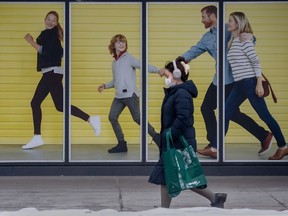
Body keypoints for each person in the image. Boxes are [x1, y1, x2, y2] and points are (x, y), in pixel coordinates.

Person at [173, 5, 272, 159]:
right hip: (218, 80)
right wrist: (174, 64)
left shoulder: (230, 29)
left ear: (212, 17)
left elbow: (250, 39)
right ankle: (217, 143)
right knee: (207, 108)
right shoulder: (207, 38)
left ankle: (217, 145)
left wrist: (251, 37)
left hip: (234, 80)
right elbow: (193, 51)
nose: (202, 20)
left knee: (231, 113)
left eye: (203, 17)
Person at [149, 60, 227, 208]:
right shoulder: (176, 92)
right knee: (170, 174)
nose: (165, 78)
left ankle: (215, 198)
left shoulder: (182, 93)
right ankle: (215, 198)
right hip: (174, 140)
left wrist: (171, 133)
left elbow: (183, 117)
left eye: (167, 74)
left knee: (181, 175)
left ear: (177, 75)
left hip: (178, 141)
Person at [23, 11, 100, 150]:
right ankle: (91, 119)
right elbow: (59, 52)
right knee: (60, 106)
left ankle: (37, 137)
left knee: (35, 103)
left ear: (56, 22)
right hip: (53, 73)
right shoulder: (52, 35)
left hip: (52, 73)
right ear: (44, 19)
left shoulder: (50, 34)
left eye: (54, 20)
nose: (50, 22)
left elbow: (45, 51)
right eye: (48, 19)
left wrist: (30, 41)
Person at [225, 11, 288, 160]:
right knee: (225, 112)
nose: (228, 23)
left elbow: (256, 62)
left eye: (231, 21)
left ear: (238, 24)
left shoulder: (244, 40)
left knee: (265, 115)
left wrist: (259, 84)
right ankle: (217, 147)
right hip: (239, 85)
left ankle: (283, 146)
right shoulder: (233, 41)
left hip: (249, 83)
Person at [97, 34, 160, 153]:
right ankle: (122, 144)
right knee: (112, 117)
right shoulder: (114, 63)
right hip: (119, 96)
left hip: (130, 95)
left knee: (137, 118)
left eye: (123, 42)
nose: (121, 44)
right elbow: (116, 81)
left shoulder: (129, 58)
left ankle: (158, 138)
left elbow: (143, 65)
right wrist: (105, 85)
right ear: (113, 45)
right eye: (118, 42)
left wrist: (158, 70)